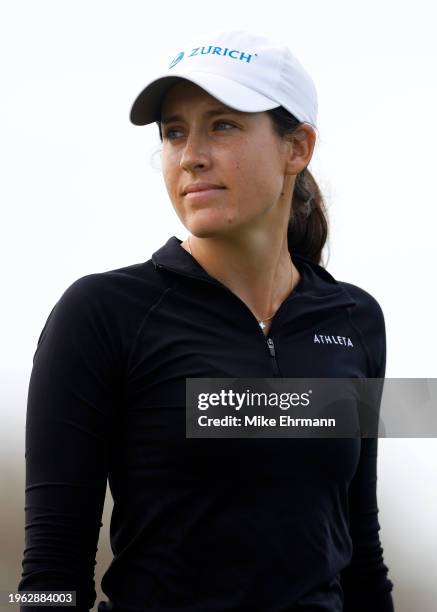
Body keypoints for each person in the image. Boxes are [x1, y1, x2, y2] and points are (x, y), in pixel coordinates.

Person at [17, 30, 395, 611]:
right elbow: (50, 571)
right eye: (174, 131)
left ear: (297, 148)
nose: (191, 153)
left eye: (223, 124)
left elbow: (360, 554)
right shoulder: (101, 314)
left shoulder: (356, 319)